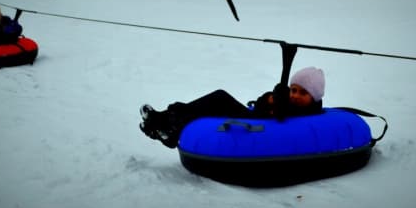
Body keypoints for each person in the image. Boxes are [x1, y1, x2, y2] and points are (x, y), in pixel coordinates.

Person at [139, 66, 326, 148]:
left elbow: (283, 117)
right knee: (216, 100)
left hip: (258, 127)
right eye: (293, 90)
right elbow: (262, 103)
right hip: (256, 119)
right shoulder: (290, 101)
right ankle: (165, 121)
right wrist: (271, 98)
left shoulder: (308, 112)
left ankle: (167, 126)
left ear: (314, 96)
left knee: (220, 98)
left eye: (303, 93)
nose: (295, 96)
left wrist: (278, 105)